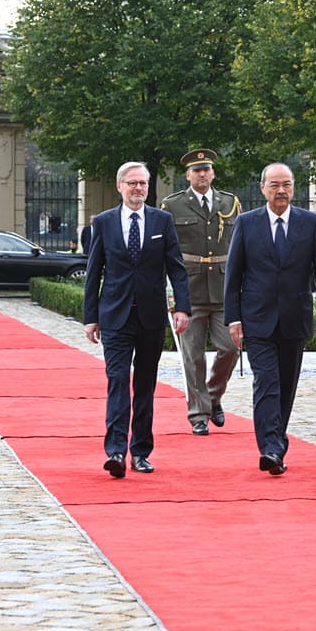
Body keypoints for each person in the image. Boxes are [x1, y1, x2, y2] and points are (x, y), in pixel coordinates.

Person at [225, 162, 316, 475]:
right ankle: (271, 448)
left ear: (293, 188)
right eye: (274, 185)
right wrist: (233, 318)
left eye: (286, 184)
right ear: (262, 188)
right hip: (257, 319)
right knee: (266, 382)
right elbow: (234, 274)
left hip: (294, 318)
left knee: (286, 386)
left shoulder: (311, 223)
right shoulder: (247, 223)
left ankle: (276, 442)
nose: (281, 191)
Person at [83, 161, 190, 478]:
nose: (138, 188)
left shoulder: (162, 221)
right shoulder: (104, 223)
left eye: (142, 183)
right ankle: (116, 451)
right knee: (117, 380)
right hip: (115, 316)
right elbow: (93, 273)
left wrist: (182, 308)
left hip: (150, 316)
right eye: (132, 183)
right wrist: (90, 317)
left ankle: (141, 452)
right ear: (120, 186)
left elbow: (176, 268)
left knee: (145, 385)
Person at [160, 148, 241, 435]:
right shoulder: (173, 205)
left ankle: (213, 397)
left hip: (222, 288)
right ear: (188, 175)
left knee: (230, 348)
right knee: (193, 357)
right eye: (196, 170)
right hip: (189, 291)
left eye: (206, 169)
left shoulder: (230, 203)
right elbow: (166, 251)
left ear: (213, 173)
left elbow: (239, 246)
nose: (202, 174)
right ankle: (198, 414)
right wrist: (170, 293)